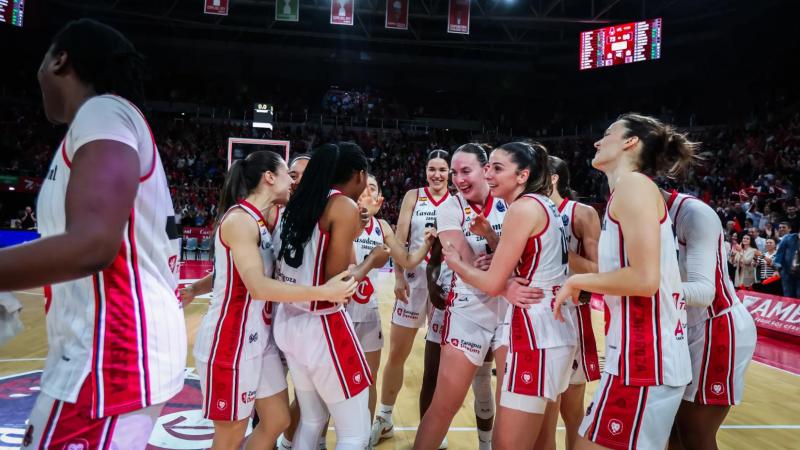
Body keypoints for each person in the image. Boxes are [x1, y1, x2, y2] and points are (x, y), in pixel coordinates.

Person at [0, 19, 185, 448]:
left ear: (60, 59)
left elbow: (93, 243)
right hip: (105, 353)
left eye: (45, 57)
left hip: (110, 357)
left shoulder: (103, 112)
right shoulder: (98, 125)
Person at [192, 151, 357, 449]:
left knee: (278, 420)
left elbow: (229, 273)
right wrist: (324, 292)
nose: (294, 183)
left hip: (260, 339)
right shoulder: (240, 221)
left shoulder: (268, 219)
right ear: (270, 177)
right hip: (230, 343)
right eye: (288, 176)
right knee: (229, 436)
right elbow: (257, 286)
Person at [553, 113, 693, 450]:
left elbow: (645, 279)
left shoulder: (634, 186)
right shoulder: (626, 191)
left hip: (644, 360)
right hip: (635, 358)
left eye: (607, 134)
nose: (598, 142)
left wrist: (580, 280)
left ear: (630, 142)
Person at [443, 142, 576, 450]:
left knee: (508, 445)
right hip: (553, 330)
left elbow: (490, 284)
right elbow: (532, 258)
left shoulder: (522, 208)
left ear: (522, 175)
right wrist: (493, 239)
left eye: (497, 168)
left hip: (534, 335)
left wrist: (456, 264)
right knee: (543, 442)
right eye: (488, 166)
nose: (488, 173)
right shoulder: (543, 204)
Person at [272, 142, 375, 450]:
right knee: (355, 433)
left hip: (289, 320)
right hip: (322, 324)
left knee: (312, 419)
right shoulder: (343, 205)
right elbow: (337, 284)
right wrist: (373, 261)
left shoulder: (298, 202)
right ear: (358, 175)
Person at [413, 144, 510, 450]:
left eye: (465, 171)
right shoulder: (449, 208)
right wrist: (499, 256)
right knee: (444, 406)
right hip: (469, 311)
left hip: (509, 311)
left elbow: (515, 258)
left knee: (509, 403)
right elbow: (467, 264)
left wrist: (494, 249)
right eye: (455, 172)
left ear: (486, 170)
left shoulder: (510, 201)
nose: (458, 178)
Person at [663, 189, 757, 450]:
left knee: (695, 434)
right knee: (672, 433)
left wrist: (641, 285)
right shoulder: (647, 216)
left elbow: (705, 293)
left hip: (717, 325)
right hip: (687, 328)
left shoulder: (694, 213)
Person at [371, 150, 451, 446]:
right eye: (432, 169)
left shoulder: (456, 200)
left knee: (437, 361)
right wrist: (399, 277)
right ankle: (385, 416)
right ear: (425, 170)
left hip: (444, 284)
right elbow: (400, 239)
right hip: (415, 280)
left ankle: (432, 425)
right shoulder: (413, 196)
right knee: (397, 354)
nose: (437, 175)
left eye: (442, 170)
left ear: (450, 173)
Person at [349, 172, 437, 426]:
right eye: (362, 187)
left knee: (368, 379)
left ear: (379, 196)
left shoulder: (383, 227)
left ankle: (364, 435)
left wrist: (426, 244)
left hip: (368, 315)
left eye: (372, 188)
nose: (367, 192)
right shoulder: (340, 219)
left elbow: (407, 260)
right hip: (339, 313)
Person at [549, 156, 602, 450]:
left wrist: (556, 247)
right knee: (540, 413)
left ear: (554, 178)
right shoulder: (524, 210)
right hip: (534, 315)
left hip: (570, 316)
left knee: (570, 411)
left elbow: (596, 270)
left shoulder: (581, 213)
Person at [773, 229, 800, 298]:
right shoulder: (787, 238)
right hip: (787, 272)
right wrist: (776, 270)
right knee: (788, 295)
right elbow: (779, 254)